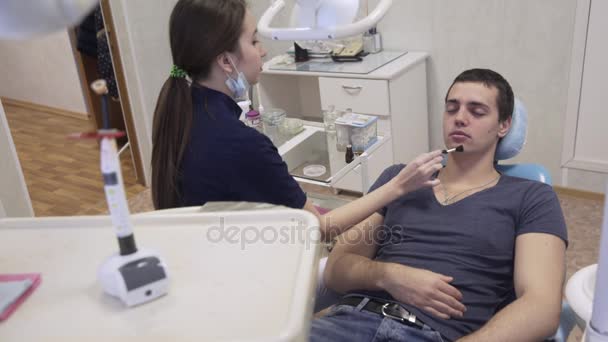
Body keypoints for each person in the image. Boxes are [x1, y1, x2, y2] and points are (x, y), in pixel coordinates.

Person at [151, 0, 446, 241]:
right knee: (390, 180)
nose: (263, 50)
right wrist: (398, 188)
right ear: (226, 61)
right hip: (246, 269)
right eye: (254, 40)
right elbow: (319, 228)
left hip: (210, 250)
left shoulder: (182, 110)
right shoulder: (241, 143)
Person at [309, 69, 568, 341]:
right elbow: (336, 271)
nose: (460, 118)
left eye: (477, 112)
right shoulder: (402, 179)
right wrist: (389, 275)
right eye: (451, 109)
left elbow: (541, 308)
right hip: (349, 322)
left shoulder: (532, 197)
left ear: (504, 125)